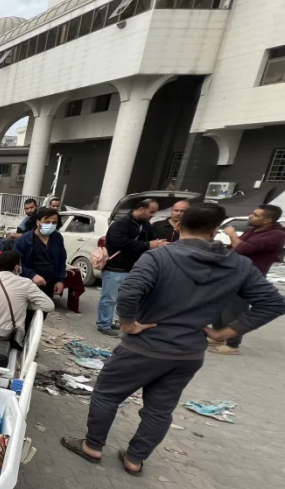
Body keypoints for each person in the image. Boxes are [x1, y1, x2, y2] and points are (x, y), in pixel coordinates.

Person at [61, 203, 285, 475]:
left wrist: (129, 324)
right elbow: (273, 303)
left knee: (107, 394)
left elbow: (129, 292)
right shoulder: (238, 265)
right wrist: (225, 333)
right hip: (188, 354)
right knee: (159, 410)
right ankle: (134, 459)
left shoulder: (159, 257)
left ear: (178, 225)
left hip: (144, 347)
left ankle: (93, 446)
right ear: (215, 230)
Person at [210, 203, 285, 355]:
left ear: (267, 220)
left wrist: (232, 234)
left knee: (235, 309)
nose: (251, 216)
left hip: (248, 277)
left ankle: (232, 345)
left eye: (256, 215)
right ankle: (218, 335)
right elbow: (236, 248)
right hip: (232, 272)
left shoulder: (276, 234)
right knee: (221, 305)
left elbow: (244, 249)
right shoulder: (253, 230)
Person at [96, 199, 167, 336]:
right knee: (109, 298)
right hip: (115, 267)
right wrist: (147, 245)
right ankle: (103, 324)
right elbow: (119, 243)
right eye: (151, 212)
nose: (152, 215)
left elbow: (151, 240)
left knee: (124, 299)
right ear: (141, 209)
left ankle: (113, 321)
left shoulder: (145, 225)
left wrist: (157, 243)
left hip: (133, 268)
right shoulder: (121, 223)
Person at [13, 208, 67, 302]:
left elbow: (62, 260)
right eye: (47, 222)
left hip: (49, 285)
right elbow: (15, 264)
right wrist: (32, 275)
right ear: (38, 222)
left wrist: (60, 280)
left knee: (45, 308)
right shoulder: (24, 240)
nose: (50, 225)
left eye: (54, 223)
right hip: (28, 285)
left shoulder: (57, 238)